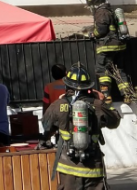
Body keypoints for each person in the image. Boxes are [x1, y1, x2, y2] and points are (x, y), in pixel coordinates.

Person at [42, 62, 121, 190]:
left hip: (68, 167)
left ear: (67, 85)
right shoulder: (97, 105)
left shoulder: (57, 105)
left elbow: (45, 126)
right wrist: (102, 100)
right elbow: (115, 121)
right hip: (93, 167)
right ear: (89, 87)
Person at [86, 0, 130, 104]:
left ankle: (106, 96)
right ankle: (127, 94)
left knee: (102, 70)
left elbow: (101, 29)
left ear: (95, 3)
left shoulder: (102, 12)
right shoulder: (110, 10)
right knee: (119, 70)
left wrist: (92, 34)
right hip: (119, 46)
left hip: (107, 46)